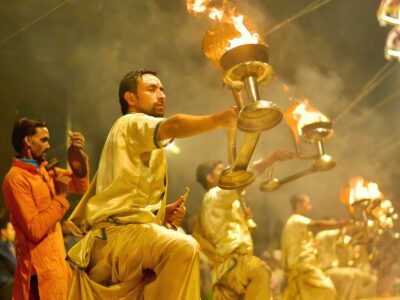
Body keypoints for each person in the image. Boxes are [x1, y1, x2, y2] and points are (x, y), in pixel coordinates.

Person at [66, 69, 238, 300]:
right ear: (131, 98)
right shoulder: (131, 122)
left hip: (113, 240)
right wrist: (219, 120)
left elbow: (122, 199)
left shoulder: (130, 137)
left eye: (162, 89)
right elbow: (174, 126)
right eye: (152, 89)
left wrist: (160, 214)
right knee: (183, 246)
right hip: (117, 238)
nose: (162, 94)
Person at [2, 117, 89, 300]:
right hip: (39, 279)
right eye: (44, 140)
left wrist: (77, 153)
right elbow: (34, 229)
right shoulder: (15, 179)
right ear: (27, 141)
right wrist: (61, 198)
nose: (49, 146)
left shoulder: (44, 170)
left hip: (58, 269)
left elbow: (81, 185)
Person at [193, 151, 292, 300]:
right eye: (221, 170)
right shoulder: (215, 194)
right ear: (210, 178)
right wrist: (268, 159)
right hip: (233, 265)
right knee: (260, 271)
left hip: (231, 269)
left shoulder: (226, 202)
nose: (227, 172)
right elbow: (242, 179)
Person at [281, 193, 347, 300]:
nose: (310, 206)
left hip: (302, 266)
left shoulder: (296, 223)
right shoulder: (295, 219)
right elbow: (317, 224)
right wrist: (340, 224)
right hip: (303, 266)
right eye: (307, 203)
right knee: (328, 290)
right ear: (298, 205)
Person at [0, 214, 16, 300]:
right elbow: (15, 266)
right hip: (4, 284)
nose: (15, 232)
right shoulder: (2, 247)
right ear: (3, 231)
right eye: (12, 229)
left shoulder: (12, 245)